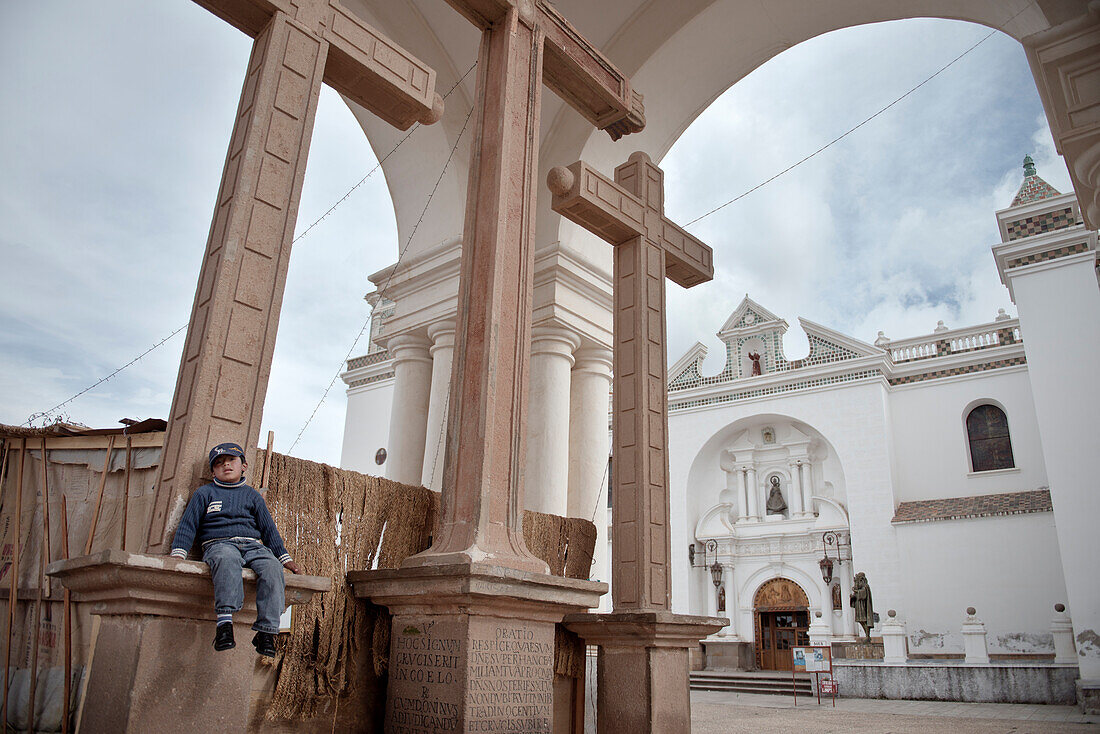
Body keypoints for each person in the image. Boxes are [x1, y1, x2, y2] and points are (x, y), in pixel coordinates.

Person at [169, 442, 302, 656]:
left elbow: (268, 529)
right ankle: (224, 624)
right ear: (213, 471)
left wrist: (284, 558)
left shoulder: (252, 496)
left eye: (231, 460)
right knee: (226, 559)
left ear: (244, 466)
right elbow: (188, 525)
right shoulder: (204, 493)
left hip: (252, 545)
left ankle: (266, 632)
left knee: (271, 569)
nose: (226, 465)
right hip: (219, 544)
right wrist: (178, 554)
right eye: (219, 463)